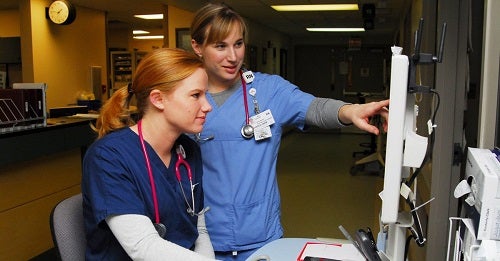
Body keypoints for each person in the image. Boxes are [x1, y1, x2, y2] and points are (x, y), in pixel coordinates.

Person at [189, 3, 390, 260]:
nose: (233, 56)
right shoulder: (185, 96)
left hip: (261, 235)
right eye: (220, 46)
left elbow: (314, 107)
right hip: (203, 239)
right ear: (197, 47)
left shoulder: (268, 89)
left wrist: (349, 111)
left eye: (238, 44)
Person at [81, 48, 216, 260]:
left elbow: (200, 231)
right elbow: (144, 248)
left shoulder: (189, 150)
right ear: (158, 99)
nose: (207, 106)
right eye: (196, 95)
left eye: (206, 94)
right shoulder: (108, 157)